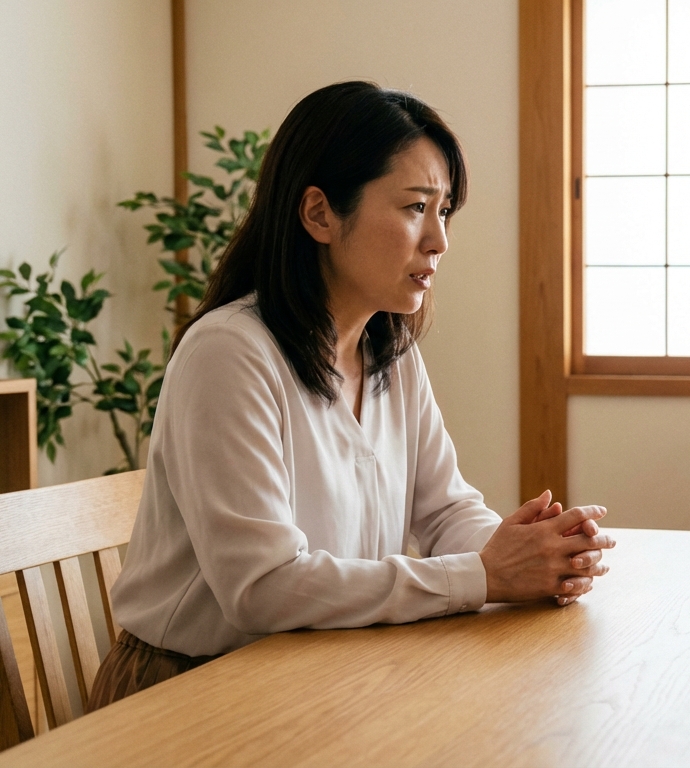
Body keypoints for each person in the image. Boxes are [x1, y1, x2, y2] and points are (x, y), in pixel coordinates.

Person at [89, 82, 615, 708]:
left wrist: (528, 555)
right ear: (320, 215)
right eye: (416, 207)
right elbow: (262, 587)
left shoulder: (390, 351)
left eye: (444, 211)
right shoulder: (228, 353)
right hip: (192, 689)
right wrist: (483, 575)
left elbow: (445, 511)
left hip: (325, 670)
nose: (439, 240)